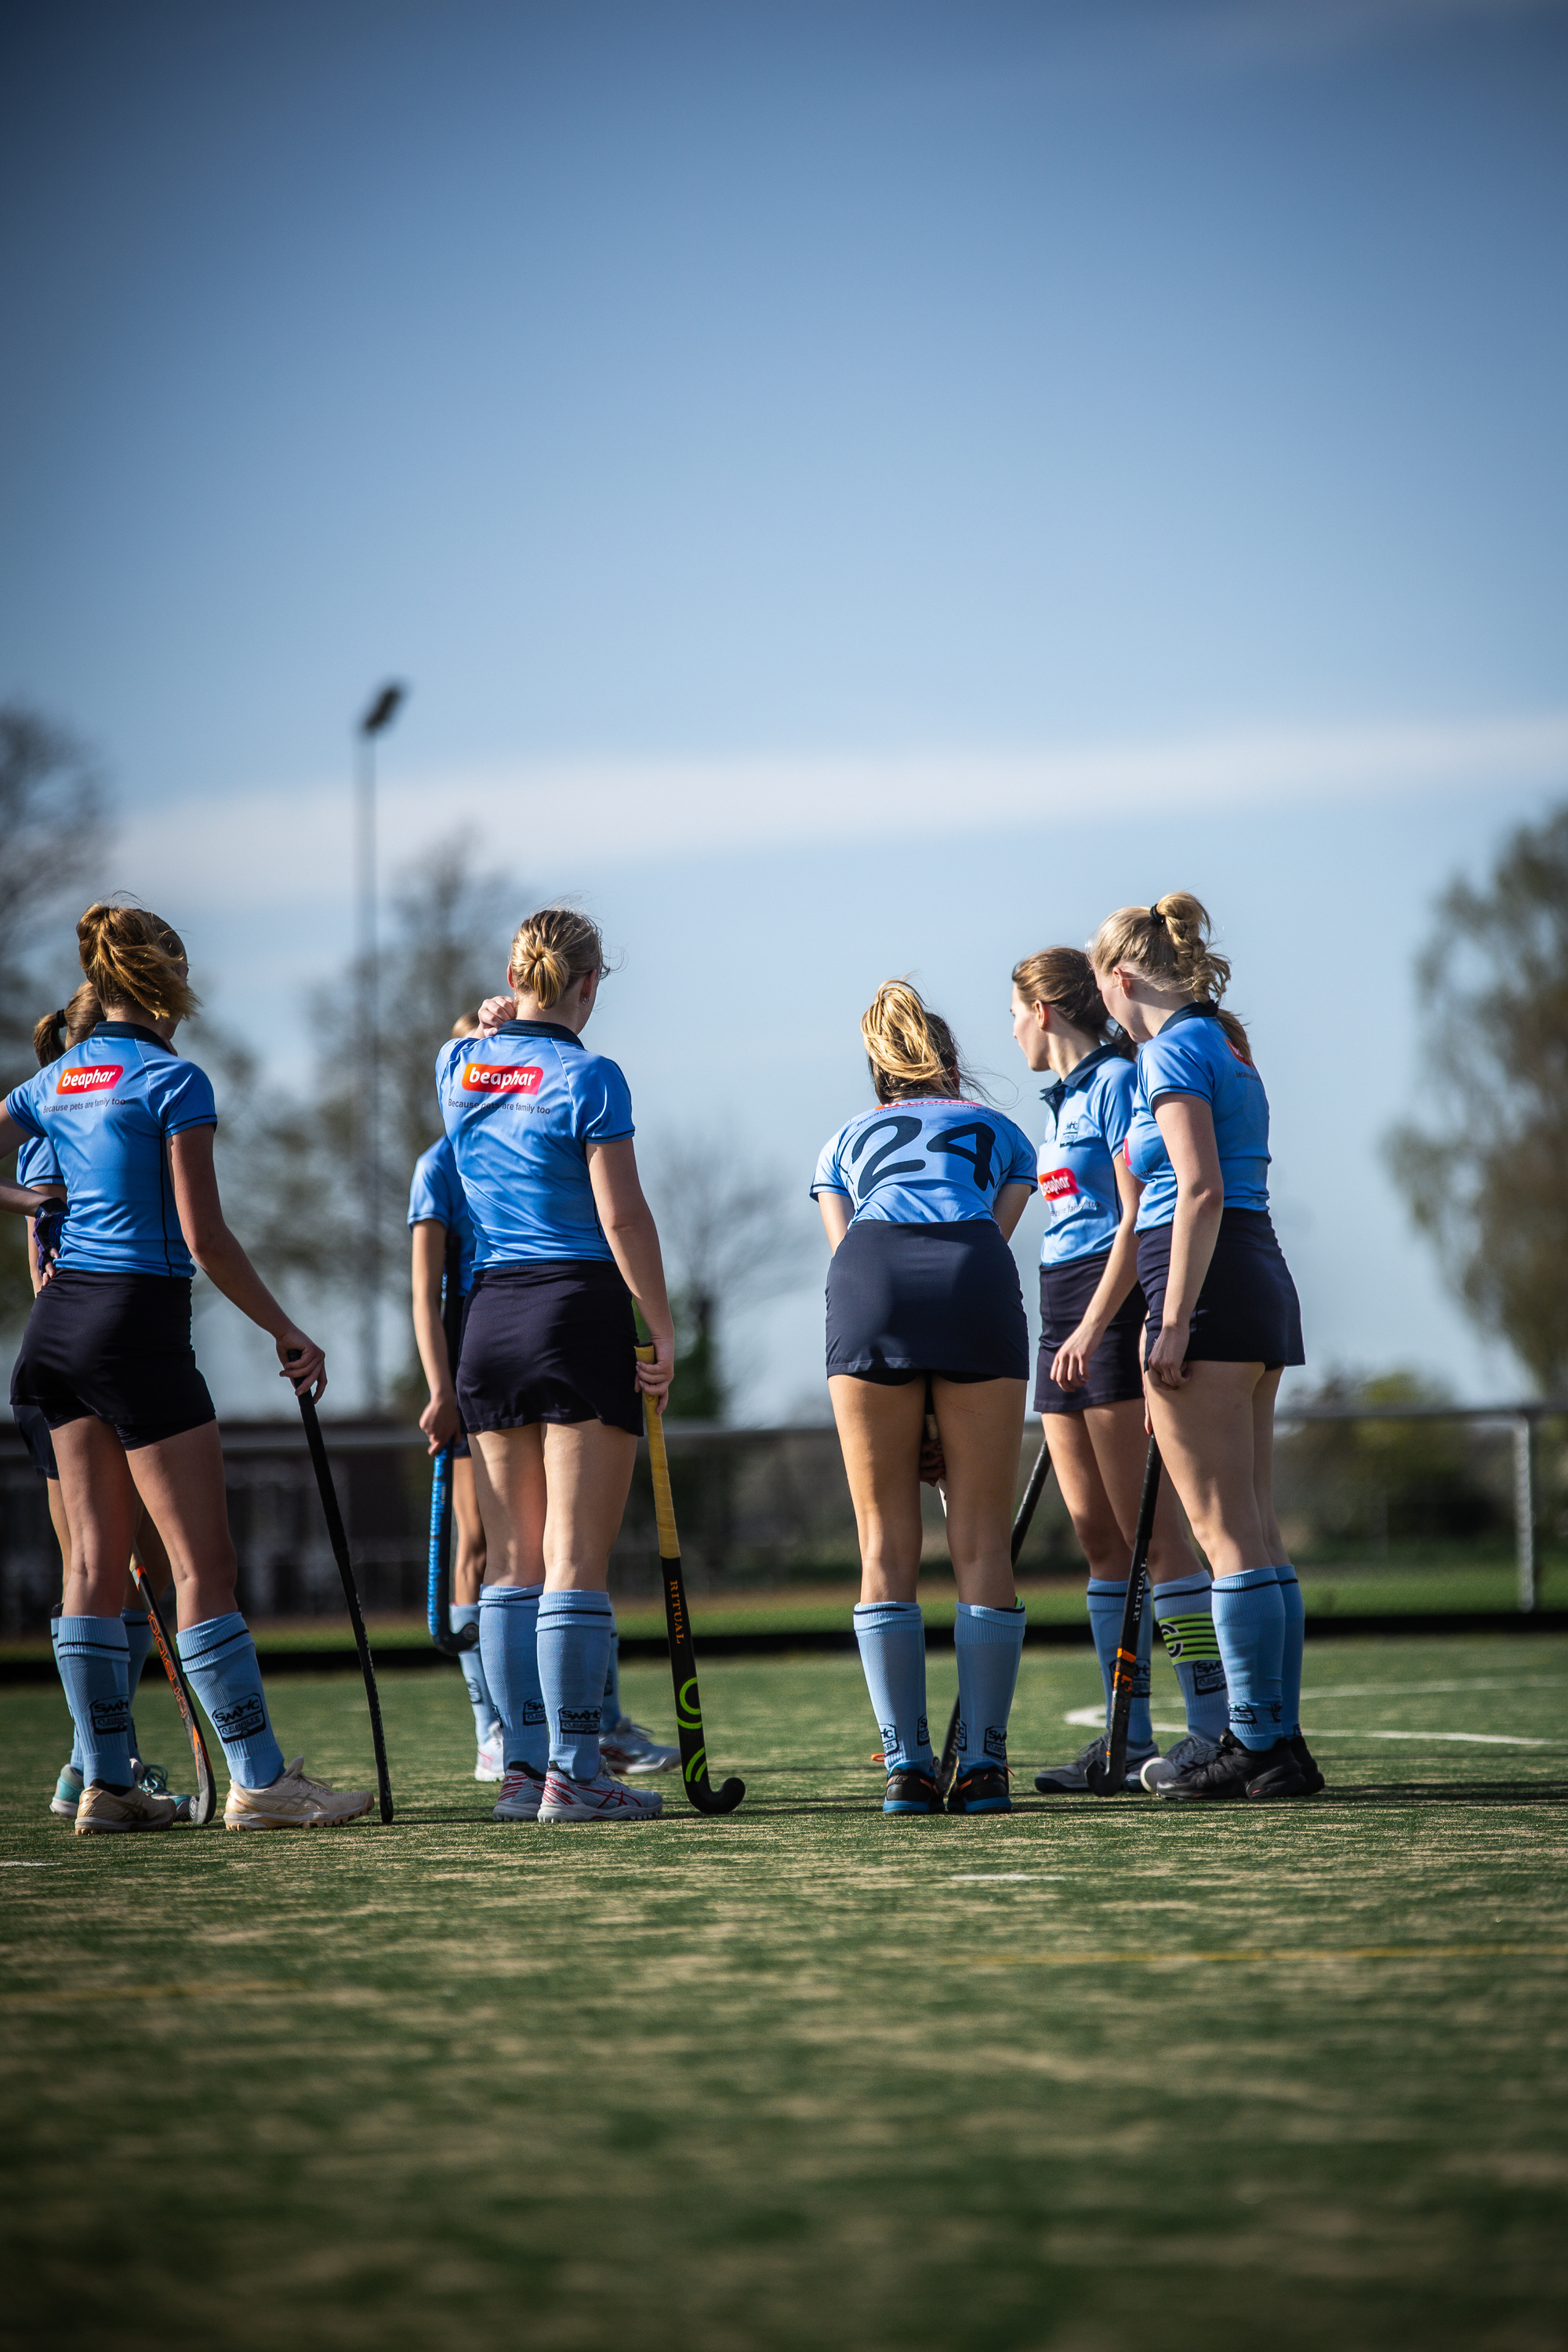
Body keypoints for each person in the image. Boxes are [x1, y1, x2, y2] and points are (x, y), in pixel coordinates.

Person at [1, 901, 372, 1834]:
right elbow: (204, 1237)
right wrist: (289, 1331)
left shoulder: (53, 1081)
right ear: (168, 983)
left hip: (52, 1336)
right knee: (202, 1564)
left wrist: (25, 1200)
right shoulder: (175, 1082)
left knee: (90, 1563)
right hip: (136, 1326)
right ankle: (259, 1781)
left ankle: (109, 1784)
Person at [439, 906, 676, 1826]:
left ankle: (519, 1772)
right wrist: (657, 1326)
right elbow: (623, 1220)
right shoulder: (593, 1075)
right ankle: (575, 1773)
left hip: (487, 1319)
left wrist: (498, 1021)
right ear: (587, 985)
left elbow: (482, 1053)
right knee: (573, 1562)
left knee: (510, 1565)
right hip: (574, 1311)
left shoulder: (455, 1065)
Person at [1091, 894, 1321, 1801]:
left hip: (1213, 1291)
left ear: (1118, 979)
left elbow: (1196, 1189)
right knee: (1254, 1533)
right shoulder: (1224, 1042)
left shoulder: (1170, 1050)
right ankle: (1276, 1740)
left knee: (1224, 1535)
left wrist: (1171, 1316)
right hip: (1256, 1283)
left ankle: (1254, 1741)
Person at [812, 980, 1036, 1817]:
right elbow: (987, 1234)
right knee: (980, 1537)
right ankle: (981, 1765)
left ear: (880, 1076)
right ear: (951, 1067)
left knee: (882, 1541)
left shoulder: (838, 1141)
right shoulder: (1004, 1133)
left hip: (870, 1279)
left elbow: (848, 1252)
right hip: (970, 1276)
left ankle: (905, 1768)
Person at [1008, 948, 1228, 1795]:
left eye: (1013, 1011)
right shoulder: (1056, 1106)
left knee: (1156, 1539)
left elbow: (1135, 1219)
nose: (1011, 1029)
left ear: (1043, 1010)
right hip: (1058, 1311)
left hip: (1104, 1308)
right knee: (1097, 1538)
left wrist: (1099, 1325)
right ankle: (1121, 1737)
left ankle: (1209, 1726)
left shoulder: (1116, 1082)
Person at [22, 987, 195, 1822]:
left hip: (69, 1358)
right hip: (91, 1366)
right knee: (102, 1568)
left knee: (130, 1569)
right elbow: (43, 1258)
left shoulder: (72, 1103)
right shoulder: (73, 1119)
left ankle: (94, 1764)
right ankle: (95, 1770)